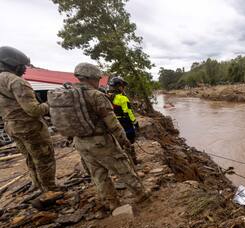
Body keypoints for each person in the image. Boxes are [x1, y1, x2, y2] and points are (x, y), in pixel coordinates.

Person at [63, 63, 148, 211]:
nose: (98, 82)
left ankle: (112, 203)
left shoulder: (67, 94)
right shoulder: (97, 95)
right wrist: (124, 141)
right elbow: (112, 123)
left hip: (80, 142)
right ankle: (142, 196)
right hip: (100, 141)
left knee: (98, 175)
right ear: (92, 77)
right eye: (97, 79)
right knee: (123, 169)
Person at [0, 46, 58, 192]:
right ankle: (50, 190)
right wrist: (50, 104)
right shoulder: (16, 81)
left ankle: (37, 185)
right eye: (23, 66)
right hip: (29, 127)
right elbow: (33, 110)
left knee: (30, 158)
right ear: (12, 64)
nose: (25, 70)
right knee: (44, 159)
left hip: (11, 127)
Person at [107, 77, 139, 164]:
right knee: (130, 140)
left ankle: (121, 161)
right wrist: (135, 122)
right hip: (125, 122)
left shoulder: (106, 97)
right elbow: (128, 112)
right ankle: (133, 160)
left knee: (117, 142)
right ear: (119, 86)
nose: (123, 88)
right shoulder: (122, 98)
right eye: (123, 86)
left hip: (112, 122)